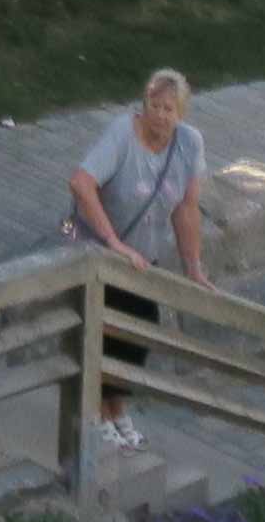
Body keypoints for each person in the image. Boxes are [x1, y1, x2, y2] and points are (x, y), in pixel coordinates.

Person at [63, 67, 209, 453]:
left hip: (144, 260)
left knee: (137, 335)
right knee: (105, 334)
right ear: (143, 104)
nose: (160, 115)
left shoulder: (189, 144)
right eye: (154, 105)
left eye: (169, 109)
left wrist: (193, 265)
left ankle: (117, 409)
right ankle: (96, 413)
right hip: (101, 255)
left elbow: (187, 209)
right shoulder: (122, 134)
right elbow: (81, 182)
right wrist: (113, 242)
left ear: (181, 114)